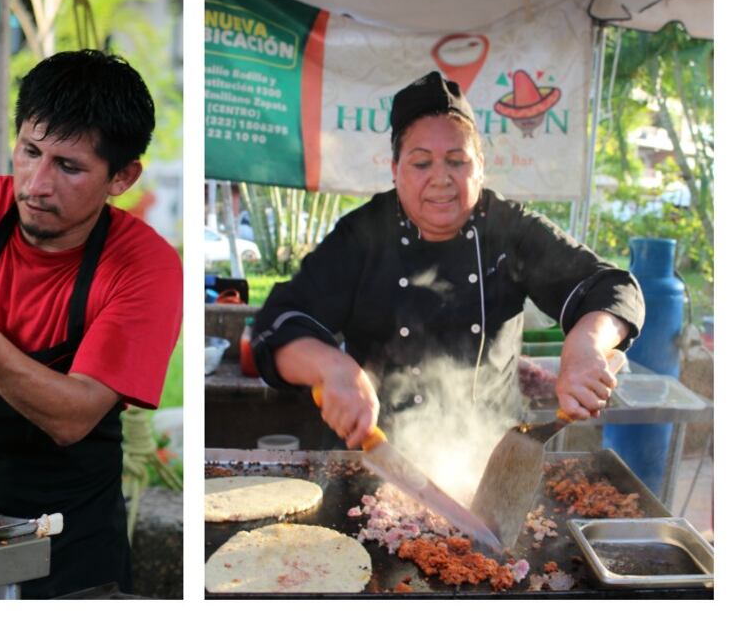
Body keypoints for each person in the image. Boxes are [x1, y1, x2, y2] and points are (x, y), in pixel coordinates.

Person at [0, 50, 182, 598]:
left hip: (69, 553)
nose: (36, 183)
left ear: (122, 176)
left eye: (69, 167)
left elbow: (73, 416)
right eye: (30, 152)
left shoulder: (144, 266)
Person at [252, 71, 644, 449]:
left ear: (481, 167)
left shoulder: (510, 230)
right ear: (395, 171)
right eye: (422, 163)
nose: (440, 178)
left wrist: (587, 344)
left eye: (456, 161)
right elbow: (278, 325)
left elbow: (611, 287)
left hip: (491, 462)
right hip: (373, 455)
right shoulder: (363, 236)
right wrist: (332, 368)